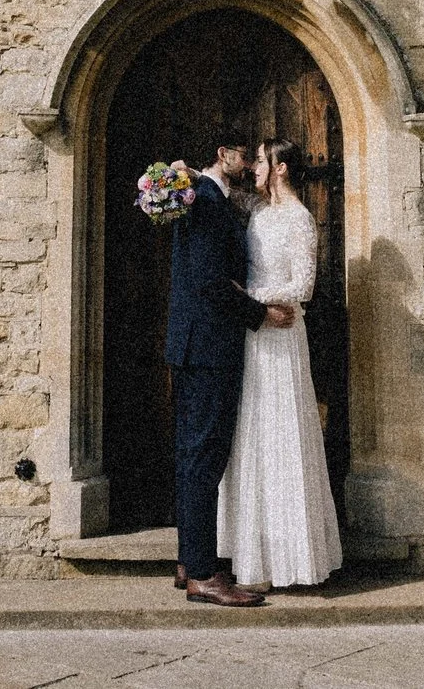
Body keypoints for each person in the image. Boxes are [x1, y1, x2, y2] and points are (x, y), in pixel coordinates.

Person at [166, 137, 295, 607]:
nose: (248, 165)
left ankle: (188, 561)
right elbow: (208, 282)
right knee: (204, 457)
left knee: (191, 455)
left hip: (195, 345)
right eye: (245, 155)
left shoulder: (205, 196)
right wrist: (260, 315)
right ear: (224, 154)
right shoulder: (204, 198)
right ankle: (203, 574)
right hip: (208, 347)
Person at [217, 139, 345, 589]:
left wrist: (250, 300)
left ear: (282, 168)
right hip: (255, 335)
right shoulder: (258, 212)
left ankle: (292, 558)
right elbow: (221, 190)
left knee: (283, 432)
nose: (254, 166)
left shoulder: (299, 218)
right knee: (253, 434)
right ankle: (255, 556)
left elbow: (303, 284)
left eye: (261, 160)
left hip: (283, 334)